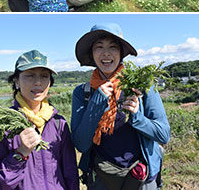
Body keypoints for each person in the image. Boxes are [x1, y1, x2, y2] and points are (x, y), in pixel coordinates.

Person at [71, 23, 170, 189]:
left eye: (113, 47)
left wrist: (137, 116)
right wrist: (96, 104)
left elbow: (163, 134)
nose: (106, 53)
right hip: (102, 178)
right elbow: (81, 144)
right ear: (92, 53)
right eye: (99, 47)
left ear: (122, 53)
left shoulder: (142, 86)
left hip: (141, 176)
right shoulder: (83, 93)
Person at [0, 50, 79, 190]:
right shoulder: (1, 125)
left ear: (50, 82)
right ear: (16, 81)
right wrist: (20, 154)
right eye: (30, 76)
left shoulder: (59, 123)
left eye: (44, 76)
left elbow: (70, 174)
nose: (38, 82)